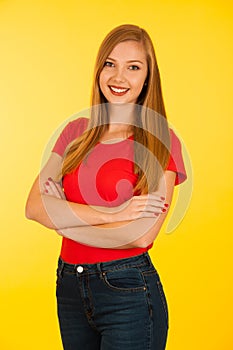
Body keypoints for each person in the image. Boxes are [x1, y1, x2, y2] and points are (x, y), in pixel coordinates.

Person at [25, 24, 187, 350]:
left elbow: (141, 235)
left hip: (128, 289)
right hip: (70, 285)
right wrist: (113, 213)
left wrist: (66, 221)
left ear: (147, 79)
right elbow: (34, 208)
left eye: (133, 67)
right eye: (110, 64)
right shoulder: (75, 132)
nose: (118, 77)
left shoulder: (160, 141)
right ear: (99, 69)